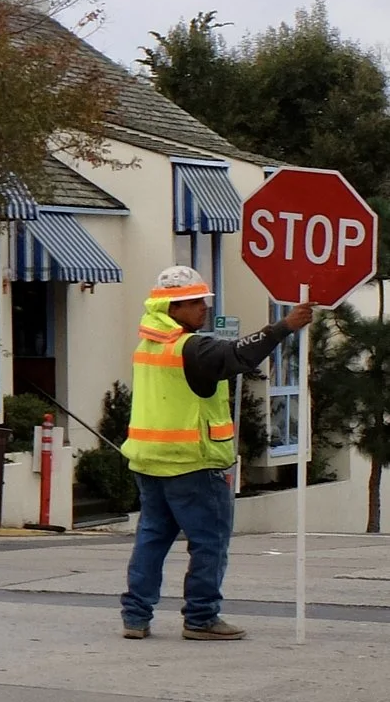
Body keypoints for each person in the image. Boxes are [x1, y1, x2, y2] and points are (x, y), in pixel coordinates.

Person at [118, 265, 312, 641]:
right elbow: (238, 355)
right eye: (194, 303)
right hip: (194, 463)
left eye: (204, 301)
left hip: (149, 461)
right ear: (172, 308)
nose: (204, 308)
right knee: (209, 543)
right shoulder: (192, 348)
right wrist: (284, 325)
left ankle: (136, 617)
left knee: (151, 539)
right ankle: (201, 617)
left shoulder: (150, 345)